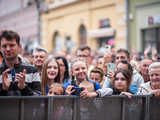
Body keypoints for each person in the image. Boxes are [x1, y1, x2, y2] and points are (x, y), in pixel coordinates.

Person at [0, 30, 41, 96]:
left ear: (19, 47)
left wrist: (24, 87)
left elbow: (38, 98)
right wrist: (4, 89)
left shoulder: (32, 70)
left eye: (11, 45)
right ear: (0, 48)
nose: (8, 49)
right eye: (4, 46)